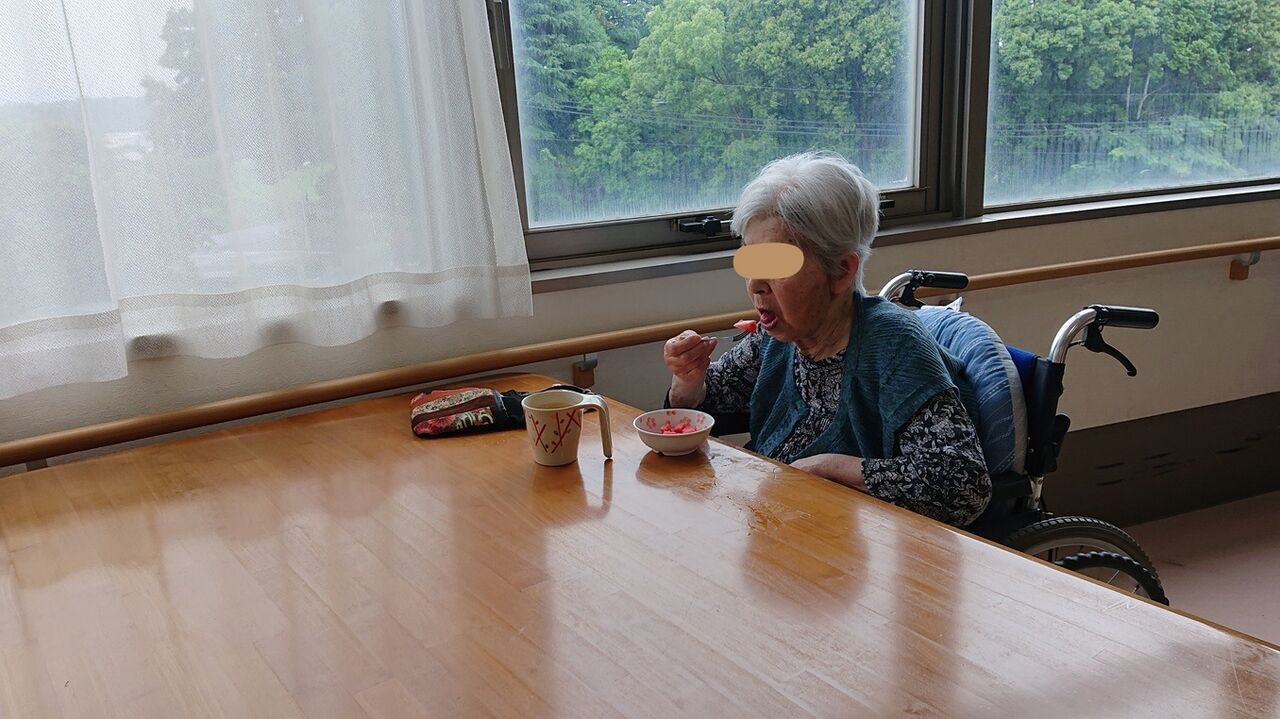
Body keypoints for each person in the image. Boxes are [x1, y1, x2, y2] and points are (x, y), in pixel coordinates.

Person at [663, 153, 991, 526]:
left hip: (854, 545)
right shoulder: (777, 337)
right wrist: (687, 382)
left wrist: (828, 467)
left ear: (841, 271)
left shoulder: (895, 347)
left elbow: (962, 485)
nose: (754, 285)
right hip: (780, 522)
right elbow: (708, 405)